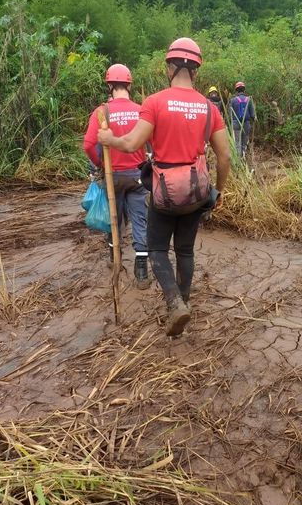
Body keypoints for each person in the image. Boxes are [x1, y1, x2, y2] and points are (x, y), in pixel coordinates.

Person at [98, 37, 231, 336]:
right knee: (185, 251)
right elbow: (224, 156)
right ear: (196, 71)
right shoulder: (210, 109)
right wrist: (218, 192)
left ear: (169, 67)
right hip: (196, 193)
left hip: (164, 193)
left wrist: (110, 141)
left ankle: (174, 304)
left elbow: (132, 143)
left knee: (157, 249)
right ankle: (183, 302)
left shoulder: (155, 102)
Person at [83, 63, 150, 290]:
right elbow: (152, 144)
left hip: (113, 176)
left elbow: (88, 145)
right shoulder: (141, 110)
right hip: (138, 176)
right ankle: (141, 270)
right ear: (129, 85)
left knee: (115, 220)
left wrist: (101, 164)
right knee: (140, 219)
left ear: (110, 85)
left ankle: (115, 259)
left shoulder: (102, 112)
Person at [229, 81, 255, 157]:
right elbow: (253, 115)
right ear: (244, 90)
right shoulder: (249, 100)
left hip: (235, 124)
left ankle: (238, 161)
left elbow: (230, 114)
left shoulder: (233, 100)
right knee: (244, 142)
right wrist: (253, 120)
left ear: (236, 90)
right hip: (246, 124)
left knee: (237, 143)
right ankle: (243, 158)